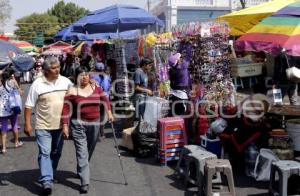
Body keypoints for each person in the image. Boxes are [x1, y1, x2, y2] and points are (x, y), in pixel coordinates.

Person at [24, 56, 72, 195]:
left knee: (56, 152)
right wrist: (27, 124)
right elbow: (28, 106)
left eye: (58, 67)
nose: (57, 70)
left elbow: (76, 94)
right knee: (45, 152)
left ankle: (49, 172)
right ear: (46, 70)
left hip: (61, 125)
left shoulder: (65, 81)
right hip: (43, 125)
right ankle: (46, 180)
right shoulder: (37, 84)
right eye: (53, 68)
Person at [61, 66, 113, 193]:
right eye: (81, 75)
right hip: (78, 123)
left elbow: (105, 100)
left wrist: (109, 113)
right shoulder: (72, 90)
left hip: (95, 123)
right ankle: (85, 182)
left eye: (86, 75)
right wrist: (65, 125)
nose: (84, 77)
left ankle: (82, 167)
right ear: (76, 77)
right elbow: (66, 109)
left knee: (89, 149)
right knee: (82, 151)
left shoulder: (96, 87)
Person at [0, 70, 23, 154]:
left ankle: (4, 148)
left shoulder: (0, 84)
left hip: (2, 109)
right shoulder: (13, 82)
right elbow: (20, 93)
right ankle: (16, 142)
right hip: (13, 107)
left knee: (4, 128)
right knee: (14, 125)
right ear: (11, 75)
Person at [90, 62, 112, 137]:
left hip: (97, 98)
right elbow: (109, 87)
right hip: (105, 97)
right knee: (102, 115)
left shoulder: (92, 76)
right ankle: (101, 132)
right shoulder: (107, 76)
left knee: (97, 115)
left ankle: (97, 132)